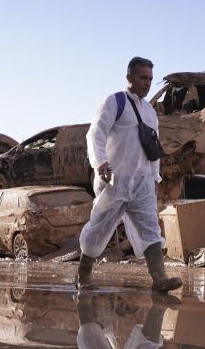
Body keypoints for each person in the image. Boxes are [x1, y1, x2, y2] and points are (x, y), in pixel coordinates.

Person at [75, 56, 183, 292]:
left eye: (150, 79)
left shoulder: (150, 112)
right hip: (114, 181)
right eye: (143, 78)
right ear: (129, 77)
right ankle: (83, 274)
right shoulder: (115, 102)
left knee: (151, 229)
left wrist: (155, 178)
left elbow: (152, 147)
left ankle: (159, 279)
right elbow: (96, 135)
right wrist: (100, 162)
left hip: (142, 184)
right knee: (99, 227)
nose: (147, 83)